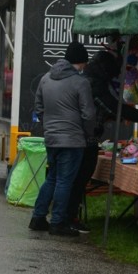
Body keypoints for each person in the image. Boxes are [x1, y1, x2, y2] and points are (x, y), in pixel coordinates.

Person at [67, 50, 138, 233]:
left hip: (78, 136)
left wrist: (116, 116)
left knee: (74, 180)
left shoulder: (88, 79)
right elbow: (113, 107)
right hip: (85, 139)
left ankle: (65, 216)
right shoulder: (95, 84)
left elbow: (109, 109)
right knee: (78, 179)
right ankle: (68, 217)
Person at [29, 41, 96, 237]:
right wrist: (88, 133)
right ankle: (58, 222)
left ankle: (38, 217)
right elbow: (89, 114)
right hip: (73, 139)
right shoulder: (81, 82)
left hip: (51, 137)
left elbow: (38, 107)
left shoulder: (46, 78)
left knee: (52, 178)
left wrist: (48, 126)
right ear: (81, 62)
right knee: (65, 181)